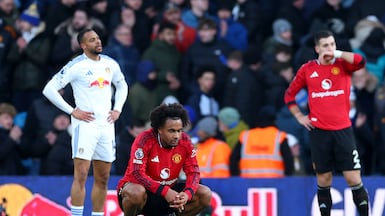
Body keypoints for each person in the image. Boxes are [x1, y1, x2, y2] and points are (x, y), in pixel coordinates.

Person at [42, 28, 128, 216]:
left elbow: (122, 84)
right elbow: (49, 89)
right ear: (82, 45)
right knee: (80, 175)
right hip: (85, 126)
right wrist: (72, 111)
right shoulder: (76, 66)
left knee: (103, 177)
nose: (98, 42)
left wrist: (117, 109)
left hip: (106, 125)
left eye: (97, 38)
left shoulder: (110, 64)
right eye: (91, 40)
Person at [284, 30, 369, 216]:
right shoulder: (307, 69)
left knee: (353, 178)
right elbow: (289, 95)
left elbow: (361, 61)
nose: (329, 48)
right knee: (323, 179)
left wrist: (337, 53)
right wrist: (299, 116)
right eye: (325, 45)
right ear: (317, 49)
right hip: (319, 132)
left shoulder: (343, 64)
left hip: (343, 131)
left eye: (332, 44)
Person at [117, 103, 212, 216]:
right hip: (143, 193)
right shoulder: (144, 139)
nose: (177, 135)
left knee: (205, 194)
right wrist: (165, 191)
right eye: (172, 131)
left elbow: (194, 173)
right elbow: (137, 173)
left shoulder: (185, 141)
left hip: (167, 194)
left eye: (179, 130)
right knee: (136, 192)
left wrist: (187, 194)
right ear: (160, 129)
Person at [229, 105, 294, 177]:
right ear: (274, 119)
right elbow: (289, 163)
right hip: (273, 184)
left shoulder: (246, 136)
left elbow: (233, 160)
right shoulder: (279, 137)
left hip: (248, 184)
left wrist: (237, 180)